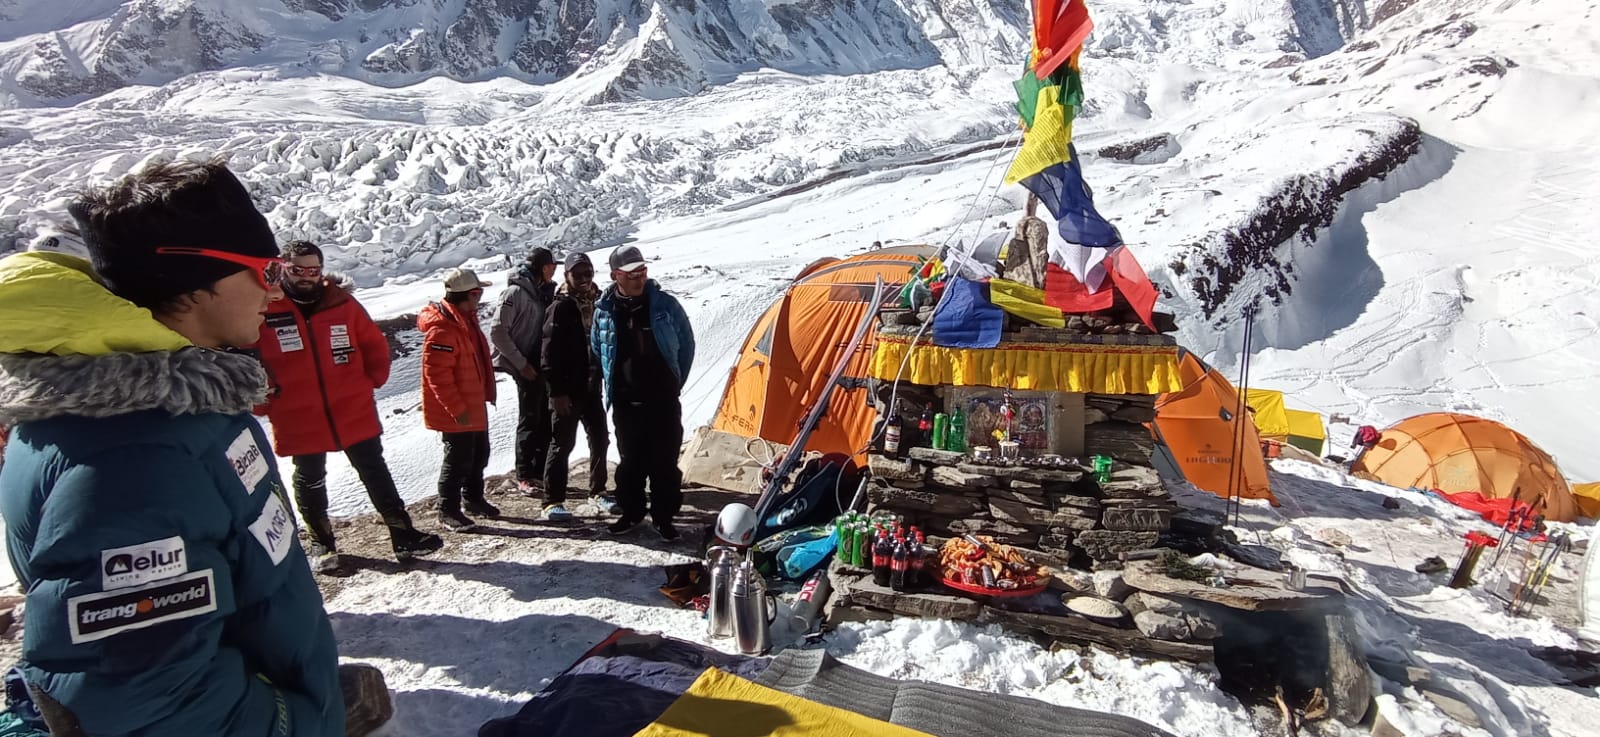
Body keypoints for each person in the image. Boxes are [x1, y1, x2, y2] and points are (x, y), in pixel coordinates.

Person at [0, 158, 342, 735]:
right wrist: (296, 719)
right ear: (192, 282)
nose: (274, 286)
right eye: (263, 268)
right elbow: (152, 701)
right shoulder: (137, 453)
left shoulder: (173, 414)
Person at [255, 240, 442, 572]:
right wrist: (264, 399)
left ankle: (403, 534)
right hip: (299, 414)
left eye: (314, 270)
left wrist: (371, 380)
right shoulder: (265, 308)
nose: (307, 277)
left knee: (375, 470)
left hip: (352, 407)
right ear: (284, 268)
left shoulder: (342, 303)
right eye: (298, 270)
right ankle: (322, 544)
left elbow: (372, 342)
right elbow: (248, 356)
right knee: (309, 478)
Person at [592, 246, 695, 540]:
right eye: (631, 273)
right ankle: (632, 512)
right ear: (615, 275)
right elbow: (599, 350)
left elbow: (686, 346)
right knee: (631, 462)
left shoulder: (665, 305)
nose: (639, 278)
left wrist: (673, 383)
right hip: (626, 402)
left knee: (664, 462)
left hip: (663, 400)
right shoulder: (605, 311)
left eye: (643, 272)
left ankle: (664, 517)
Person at [419, 268, 500, 531]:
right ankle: (448, 511)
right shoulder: (443, 330)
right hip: (459, 409)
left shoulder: (464, 320)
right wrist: (456, 409)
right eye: (479, 292)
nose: (481, 298)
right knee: (457, 460)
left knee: (478, 454)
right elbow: (437, 376)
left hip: (472, 404)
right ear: (472, 294)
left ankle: (473, 500)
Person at [540, 251, 617, 520]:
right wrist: (556, 392)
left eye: (588, 273)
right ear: (567, 276)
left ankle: (598, 492)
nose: (584, 279)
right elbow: (548, 353)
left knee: (600, 439)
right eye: (578, 274)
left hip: (592, 384)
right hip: (567, 388)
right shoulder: (560, 306)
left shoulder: (599, 301)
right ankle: (552, 501)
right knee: (562, 443)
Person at [490, 247, 557, 496]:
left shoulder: (540, 291)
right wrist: (520, 363)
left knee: (545, 416)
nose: (555, 270)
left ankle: (540, 472)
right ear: (542, 267)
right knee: (530, 417)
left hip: (540, 362)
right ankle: (526, 475)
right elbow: (497, 331)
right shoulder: (516, 292)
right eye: (552, 266)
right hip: (525, 363)